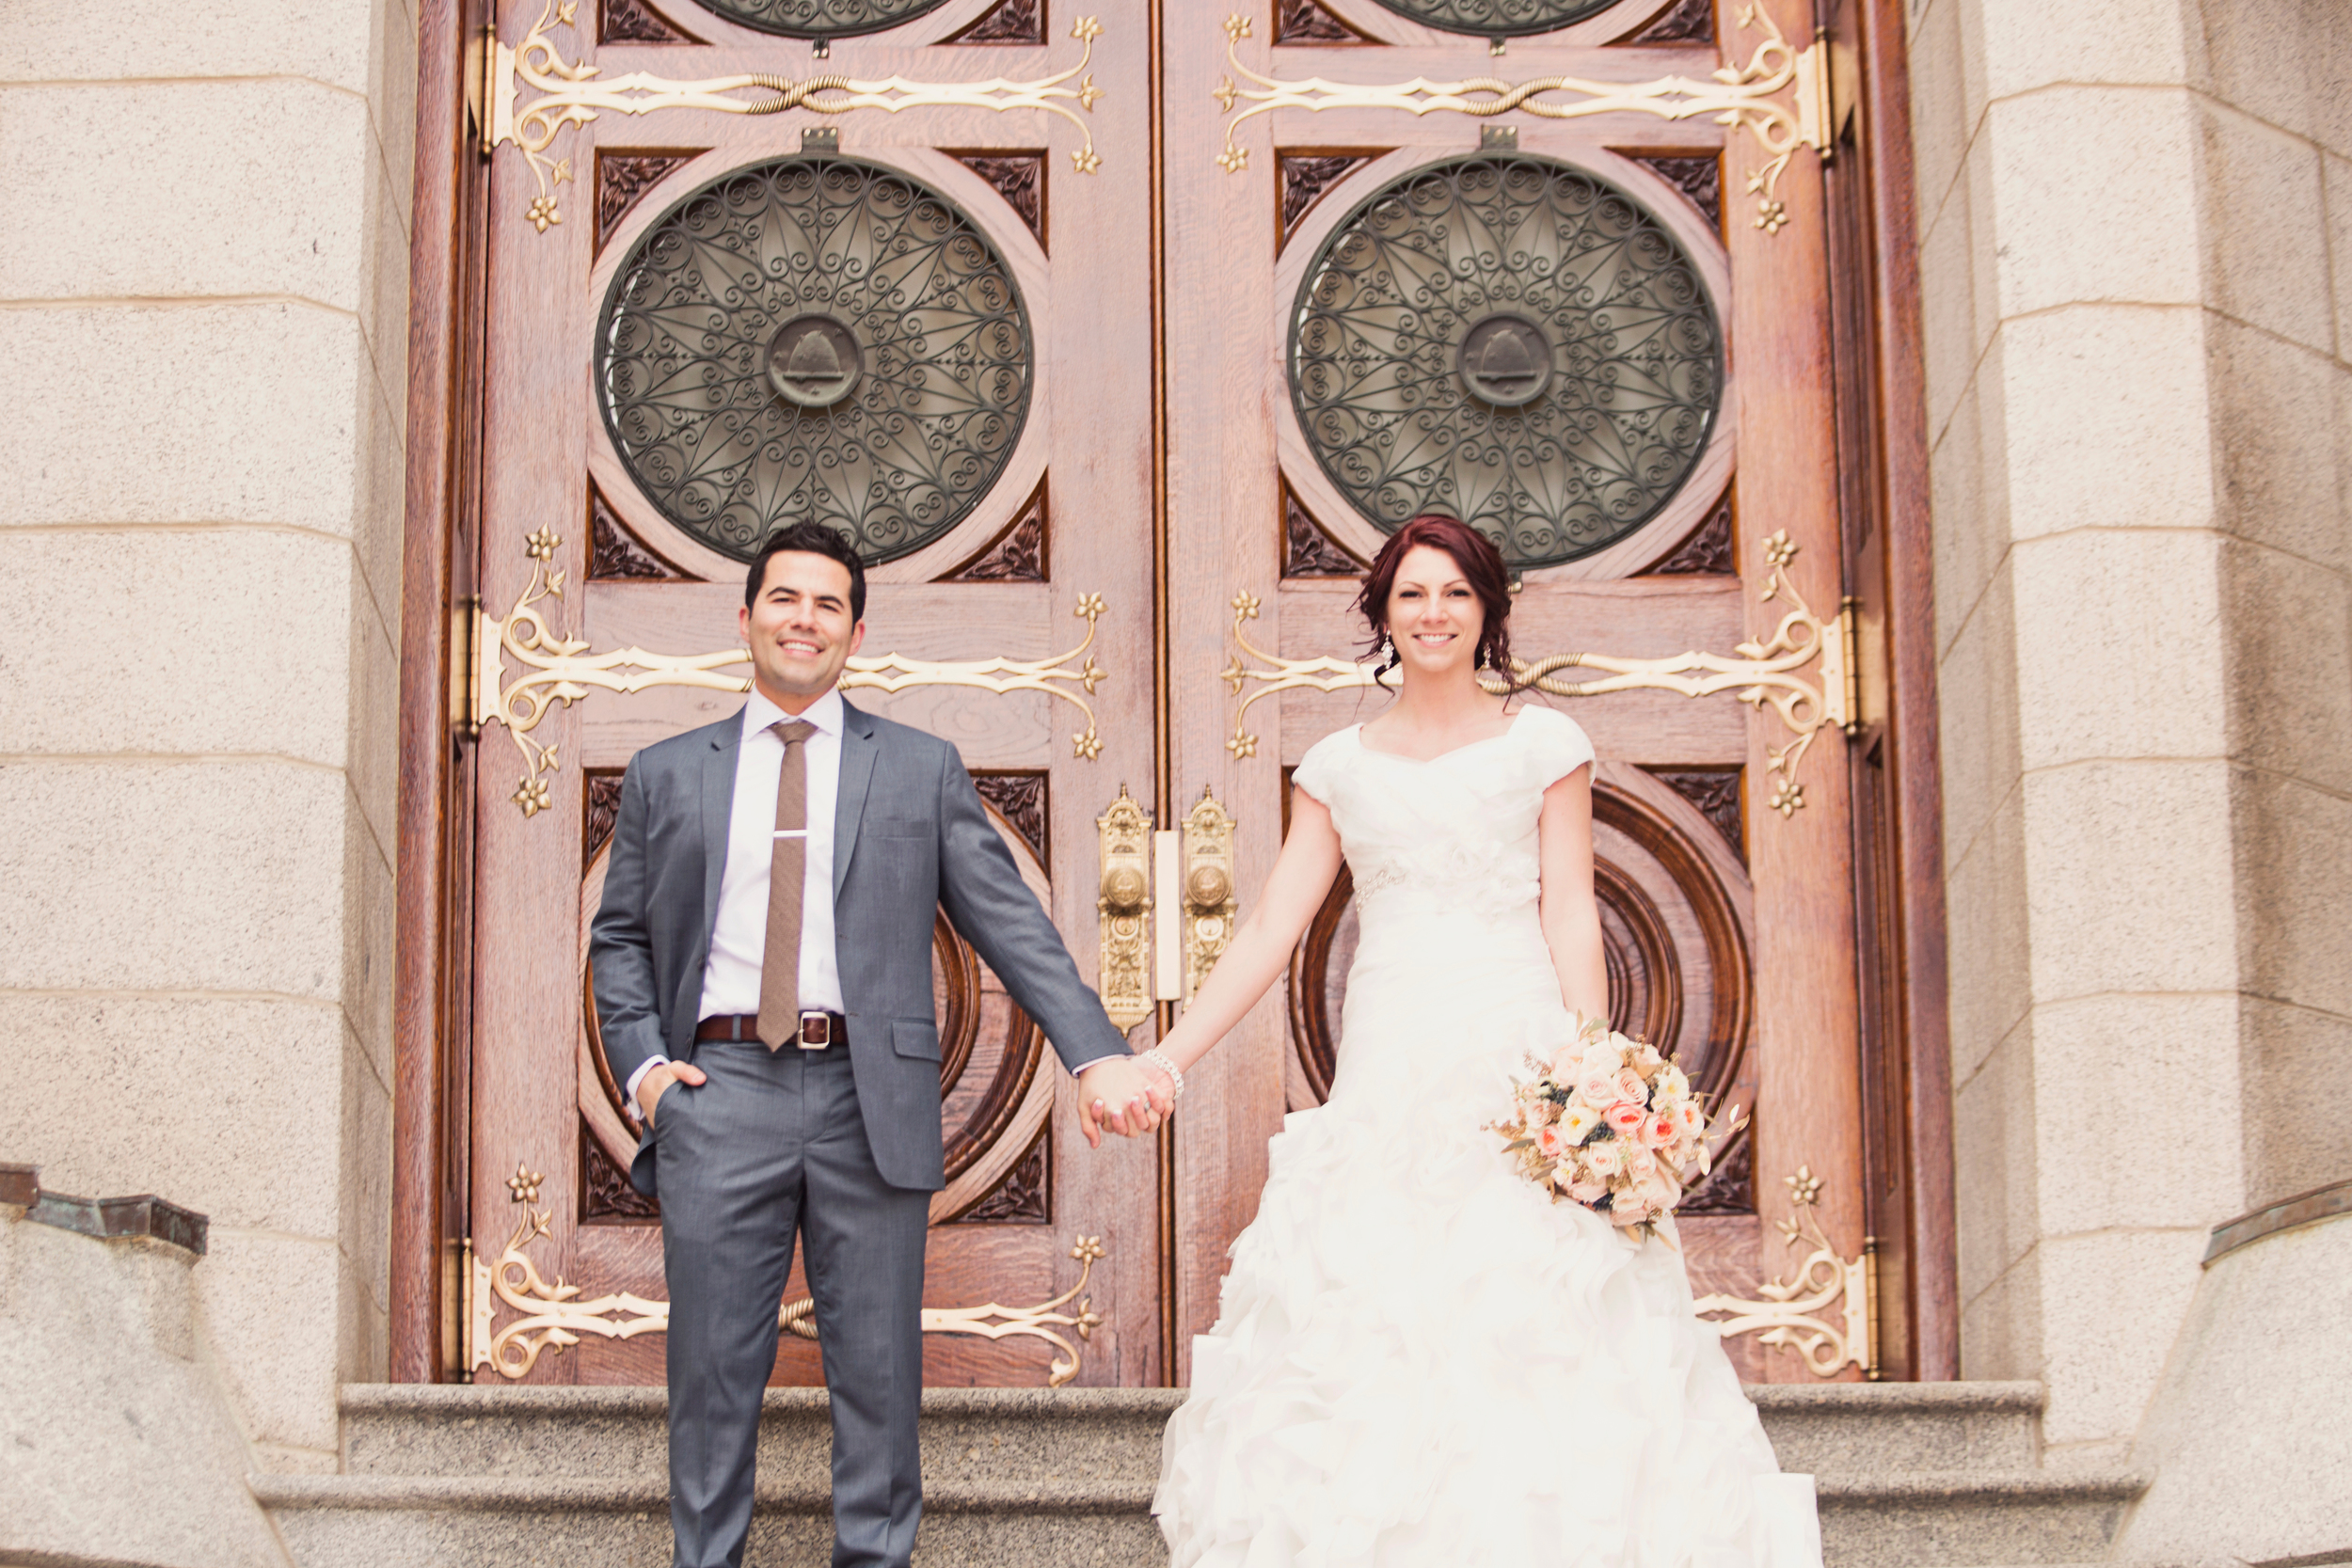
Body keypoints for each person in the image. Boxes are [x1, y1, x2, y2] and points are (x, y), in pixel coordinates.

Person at [1140, 515, 1823, 1567]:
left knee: (1532, 1291)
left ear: (1486, 611)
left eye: (1455, 593)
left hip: (1516, 1044)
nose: (1433, 613)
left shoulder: (1542, 745)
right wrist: (1166, 1055)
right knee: (1378, 1291)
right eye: (1413, 594)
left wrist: (1589, 1068)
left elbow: (1565, 912)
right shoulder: (1336, 767)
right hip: (1393, 1042)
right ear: (1382, 613)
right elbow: (1273, 926)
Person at [589, 522, 1168, 1568]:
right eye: (783, 599)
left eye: (825, 605)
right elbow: (619, 937)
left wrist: (1098, 1051)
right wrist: (646, 1075)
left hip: (870, 1098)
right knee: (712, 1369)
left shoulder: (917, 768)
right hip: (717, 1091)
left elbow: (1010, 922)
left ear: (855, 631)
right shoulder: (668, 773)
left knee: (877, 1372)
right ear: (745, 617)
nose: (802, 619)